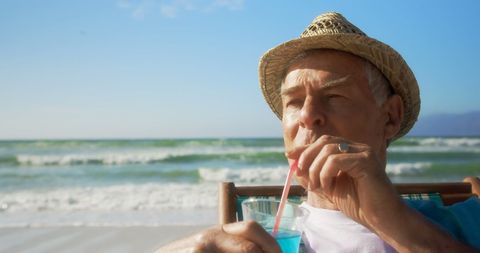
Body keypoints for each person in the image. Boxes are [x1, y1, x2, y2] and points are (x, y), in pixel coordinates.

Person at [157, 12, 480, 253]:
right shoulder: (264, 241)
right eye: (294, 103)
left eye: (335, 97)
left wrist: (396, 224)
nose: (308, 117)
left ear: (390, 118)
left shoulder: (466, 220)